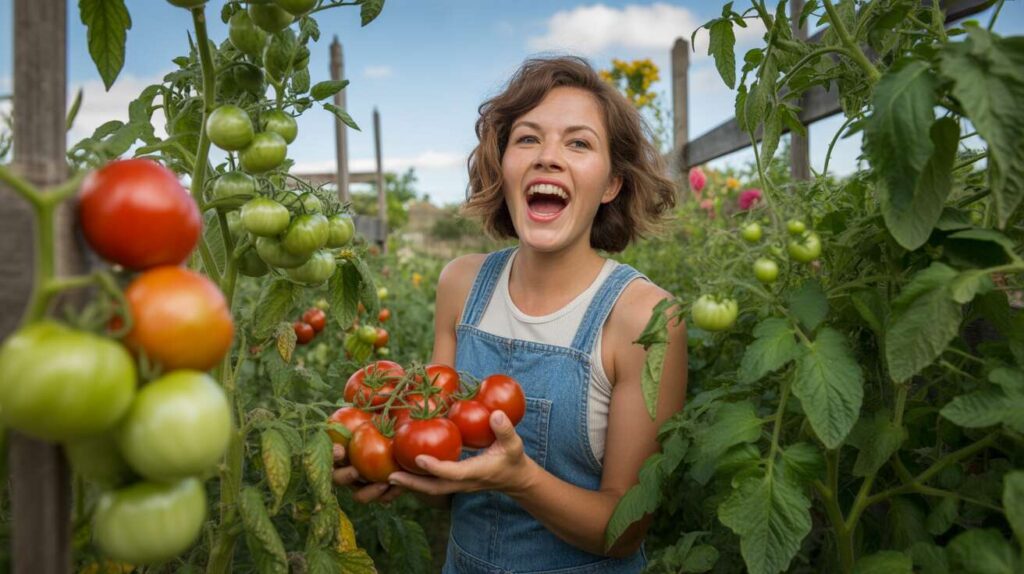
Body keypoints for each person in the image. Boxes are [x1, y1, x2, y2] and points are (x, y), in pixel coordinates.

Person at [332, 55, 688, 573]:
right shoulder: (461, 285)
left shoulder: (644, 318)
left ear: (611, 184)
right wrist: (386, 464)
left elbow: (624, 530)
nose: (548, 156)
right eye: (527, 138)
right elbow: (444, 483)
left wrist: (520, 479)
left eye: (579, 142)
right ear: (503, 165)